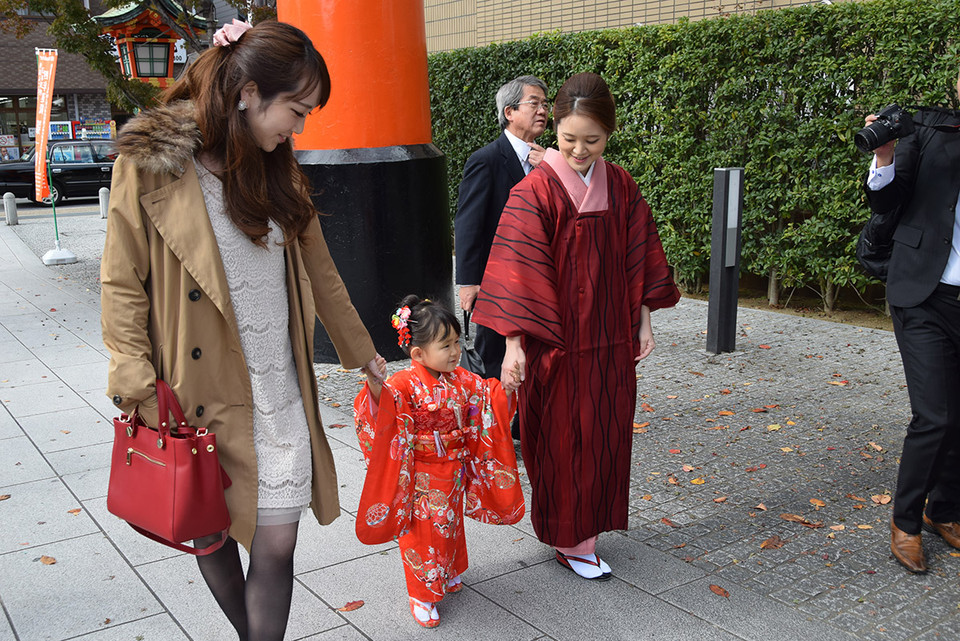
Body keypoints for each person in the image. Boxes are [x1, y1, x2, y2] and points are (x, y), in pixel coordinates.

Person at [100, 20, 385, 640]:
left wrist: (364, 355)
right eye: (296, 109)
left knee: (278, 542)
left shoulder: (277, 167)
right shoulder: (151, 167)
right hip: (192, 385)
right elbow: (122, 281)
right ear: (249, 91)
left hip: (276, 384)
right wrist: (134, 379)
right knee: (211, 532)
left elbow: (321, 268)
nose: (300, 128)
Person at [472, 73, 680, 580]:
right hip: (557, 341)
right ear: (556, 128)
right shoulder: (535, 191)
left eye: (593, 140)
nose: (580, 150)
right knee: (564, 439)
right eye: (568, 139)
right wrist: (514, 347)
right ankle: (570, 538)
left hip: (610, 340)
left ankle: (589, 529)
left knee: (607, 433)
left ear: (608, 134)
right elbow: (518, 270)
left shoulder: (622, 184)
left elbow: (639, 256)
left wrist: (644, 320)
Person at [353, 296, 524, 628]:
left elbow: (487, 399)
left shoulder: (461, 379)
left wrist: (506, 387)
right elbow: (383, 414)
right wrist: (375, 383)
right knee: (424, 535)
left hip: (454, 470)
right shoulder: (404, 384)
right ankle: (422, 593)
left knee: (450, 526)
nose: (456, 351)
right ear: (418, 354)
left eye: (458, 342)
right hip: (422, 476)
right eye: (446, 345)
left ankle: (448, 572)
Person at [862, 68, 960, 574]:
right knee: (935, 415)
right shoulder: (929, 128)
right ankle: (906, 522)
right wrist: (884, 156)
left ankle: (945, 511)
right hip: (923, 291)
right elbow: (887, 201)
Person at [455, 75, 549, 387]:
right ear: (509, 112)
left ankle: (525, 425)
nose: (542, 110)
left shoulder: (549, 159)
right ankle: (492, 425)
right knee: (494, 354)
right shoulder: (486, 160)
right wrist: (469, 282)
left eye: (545, 104)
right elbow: (469, 223)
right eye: (533, 103)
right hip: (497, 281)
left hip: (538, 280)